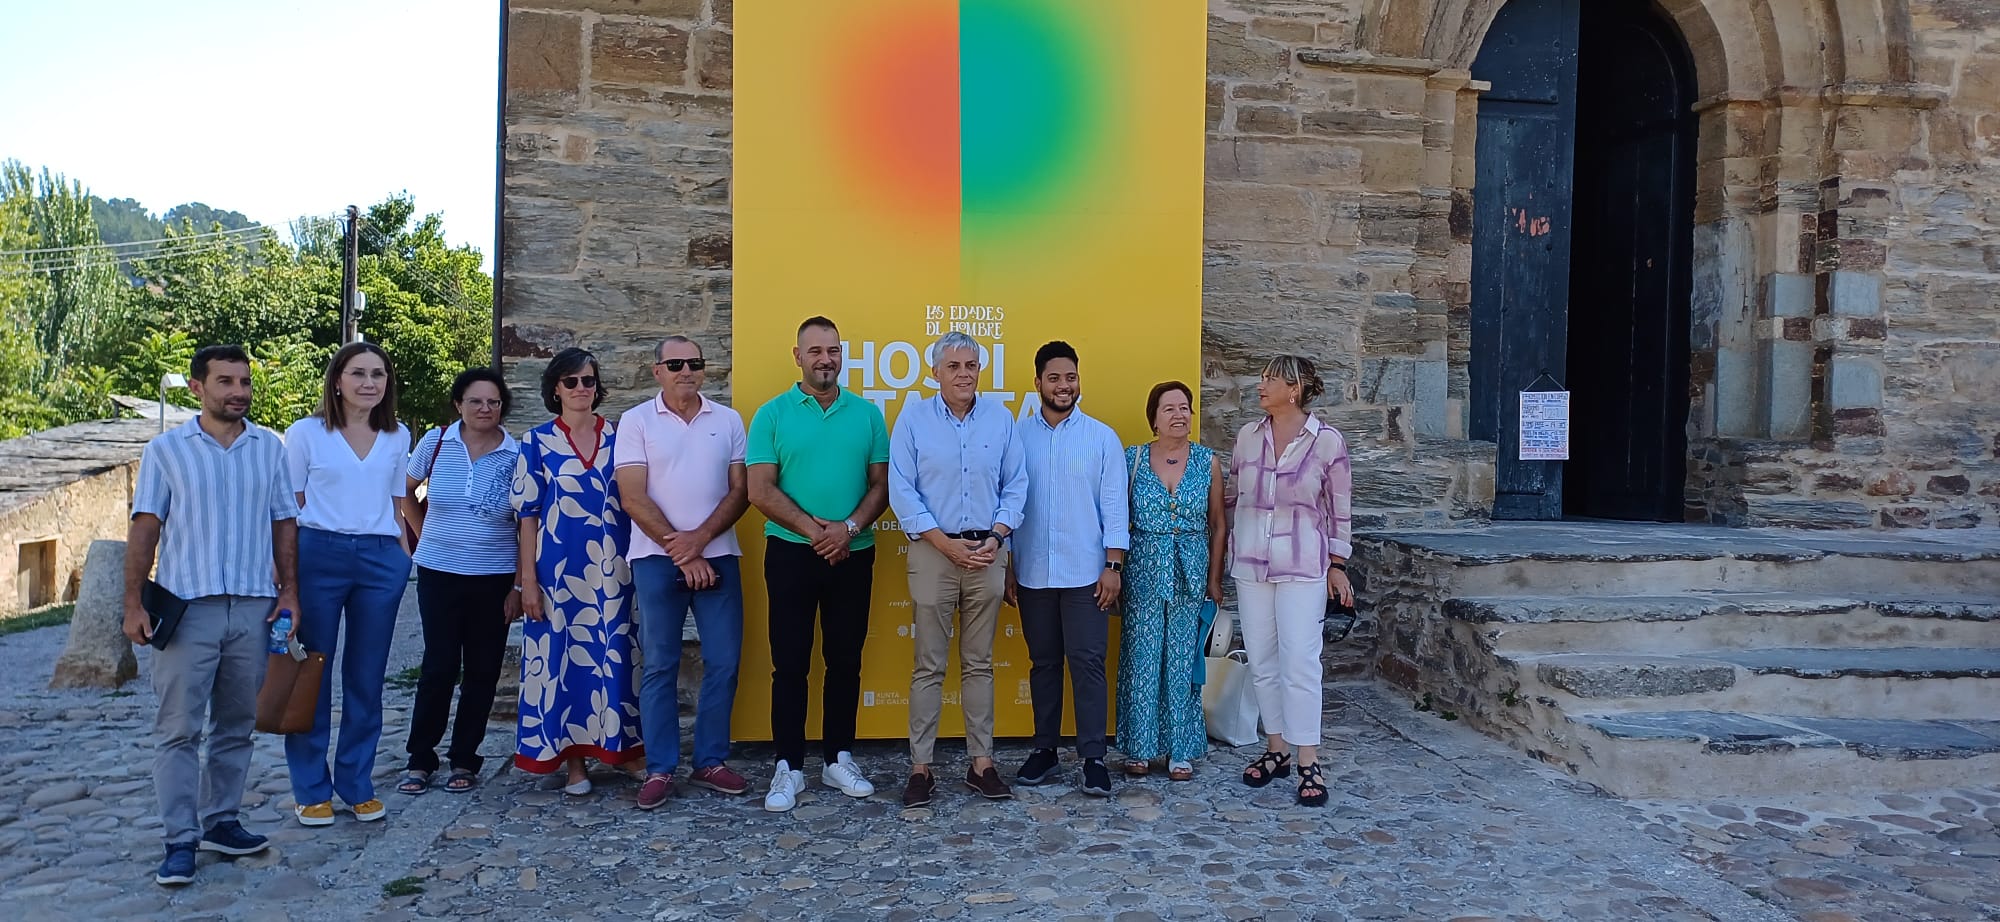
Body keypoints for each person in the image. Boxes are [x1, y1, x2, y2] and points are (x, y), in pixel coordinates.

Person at [124, 345, 300, 886]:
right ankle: (180, 839)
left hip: (251, 607)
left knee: (237, 725)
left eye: (245, 381)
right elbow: (146, 527)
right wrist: (132, 601)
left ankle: (222, 821)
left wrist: (289, 591)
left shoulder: (270, 448)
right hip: (188, 608)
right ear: (198, 387)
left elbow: (284, 524)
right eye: (226, 381)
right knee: (178, 729)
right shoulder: (166, 451)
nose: (238, 392)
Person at [746, 316, 889, 813]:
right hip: (790, 551)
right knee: (790, 661)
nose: (824, 359)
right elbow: (759, 489)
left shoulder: (867, 414)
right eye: (814, 351)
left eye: (832, 350)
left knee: (845, 660)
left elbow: (880, 485)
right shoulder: (772, 414)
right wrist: (818, 532)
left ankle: (838, 758)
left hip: (855, 551)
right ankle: (788, 767)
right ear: (798, 356)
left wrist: (846, 530)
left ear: (840, 354)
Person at [887, 332, 1027, 807]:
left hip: (987, 552)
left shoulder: (1000, 418)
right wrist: (945, 544)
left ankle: (981, 763)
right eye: (954, 366)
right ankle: (921, 768)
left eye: (971, 365)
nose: (964, 374)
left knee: (980, 663)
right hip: (934, 551)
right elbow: (901, 488)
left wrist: (996, 536)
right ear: (935, 372)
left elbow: (1016, 485)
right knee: (928, 664)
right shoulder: (914, 418)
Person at [614, 336, 751, 810]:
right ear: (657, 371)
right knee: (659, 664)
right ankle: (660, 768)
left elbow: (740, 491)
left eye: (694, 363)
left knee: (725, 661)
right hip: (655, 560)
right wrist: (685, 551)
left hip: (719, 555)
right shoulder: (635, 421)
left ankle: (711, 760)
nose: (686, 370)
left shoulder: (729, 420)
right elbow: (631, 495)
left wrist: (700, 543)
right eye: (675, 363)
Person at [284, 342, 414, 827]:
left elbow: (399, 502)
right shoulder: (305, 434)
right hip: (319, 552)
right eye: (357, 373)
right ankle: (311, 789)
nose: (369, 383)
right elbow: (290, 506)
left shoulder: (399, 435)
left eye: (378, 374)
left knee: (366, 676)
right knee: (311, 672)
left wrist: (404, 556)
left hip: (381, 559)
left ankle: (356, 782)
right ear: (336, 379)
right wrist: (287, 571)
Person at [513, 348, 644, 794]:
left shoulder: (622, 436)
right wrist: (527, 580)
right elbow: (527, 515)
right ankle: (574, 762)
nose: (581, 389)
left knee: (616, 659)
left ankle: (623, 751)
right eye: (571, 382)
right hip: (557, 572)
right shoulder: (535, 443)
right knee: (563, 660)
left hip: (613, 569)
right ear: (555, 388)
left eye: (588, 380)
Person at [1228, 355, 1354, 808]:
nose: (1260, 385)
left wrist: (1338, 564)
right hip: (1251, 565)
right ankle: (1276, 747)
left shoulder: (1327, 443)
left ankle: (1308, 759)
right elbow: (1232, 494)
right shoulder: (1247, 437)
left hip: (1304, 567)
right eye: (1260, 376)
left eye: (1269, 379)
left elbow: (1339, 510)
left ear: (1294, 389)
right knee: (1261, 659)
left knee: (1300, 661)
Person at [1007, 340, 1129, 797]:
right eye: (1054, 378)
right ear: (1037, 382)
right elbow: (1010, 505)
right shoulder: (1017, 437)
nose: (1064, 385)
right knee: (1042, 664)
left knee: (1088, 664)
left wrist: (1113, 565)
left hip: (1087, 574)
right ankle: (1045, 752)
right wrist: (1008, 564)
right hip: (1033, 571)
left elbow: (1115, 506)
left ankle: (1093, 757)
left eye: (1071, 377)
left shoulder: (1101, 438)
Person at [398, 368, 522, 796]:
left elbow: (526, 522)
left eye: (493, 402)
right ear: (459, 405)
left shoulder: (517, 454)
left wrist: (520, 585)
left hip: (494, 576)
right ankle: (421, 757)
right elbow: (406, 493)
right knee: (438, 665)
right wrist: (421, 539)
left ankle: (465, 757)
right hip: (438, 573)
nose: (485, 409)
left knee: (483, 670)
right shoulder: (435, 443)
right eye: (475, 401)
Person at [1116, 381, 1225, 781]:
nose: (1179, 415)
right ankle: (1139, 748)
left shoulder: (1207, 460)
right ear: (1154, 418)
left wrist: (1214, 579)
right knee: (1142, 657)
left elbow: (1218, 524)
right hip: (1143, 568)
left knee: (1182, 658)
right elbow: (1116, 520)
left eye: (1185, 407)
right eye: (1169, 409)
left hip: (1190, 570)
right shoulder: (1133, 459)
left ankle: (1181, 750)